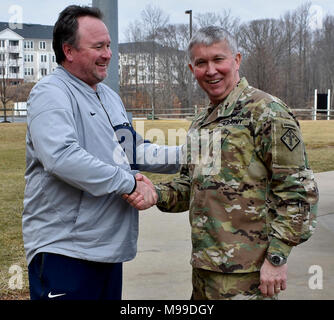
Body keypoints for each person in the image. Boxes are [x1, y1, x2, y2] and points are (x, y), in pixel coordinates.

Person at [124, 26, 319, 300]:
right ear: (192, 69)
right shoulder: (202, 122)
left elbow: (298, 193)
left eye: (218, 59)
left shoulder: (267, 113)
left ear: (236, 60)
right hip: (205, 271)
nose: (211, 70)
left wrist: (277, 259)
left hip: (248, 275)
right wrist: (156, 193)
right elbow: (191, 185)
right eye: (201, 63)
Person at [23, 5, 181, 300]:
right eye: (98, 46)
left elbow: (131, 150)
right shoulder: (50, 93)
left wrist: (192, 154)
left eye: (108, 45)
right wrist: (130, 183)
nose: (108, 54)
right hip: (65, 251)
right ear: (68, 51)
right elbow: (62, 157)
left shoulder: (108, 96)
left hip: (107, 250)